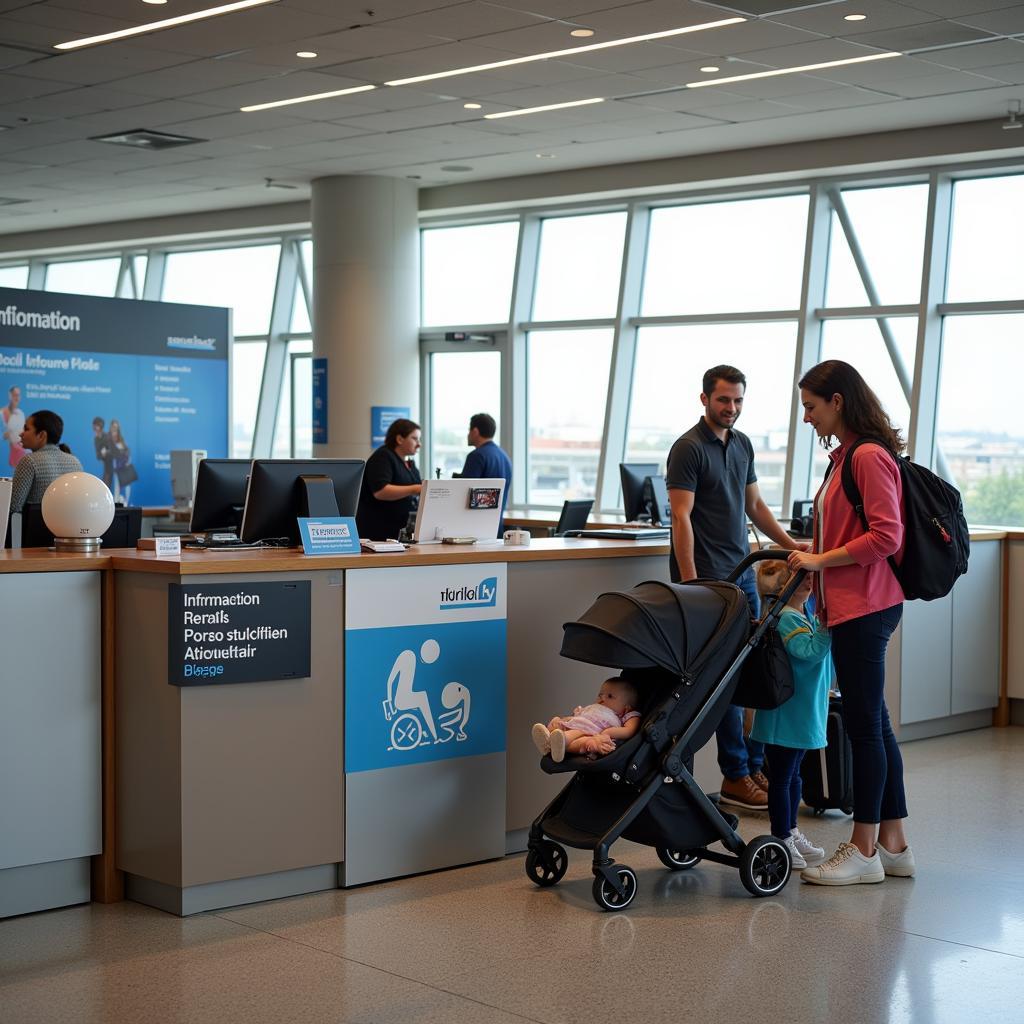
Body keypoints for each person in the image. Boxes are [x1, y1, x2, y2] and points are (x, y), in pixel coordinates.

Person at [787, 359, 914, 886]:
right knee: (875, 724)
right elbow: (848, 531)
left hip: (867, 606)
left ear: (837, 401)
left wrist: (820, 561)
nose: (807, 419)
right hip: (852, 604)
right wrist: (810, 552)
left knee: (864, 727)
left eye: (811, 408)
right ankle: (894, 843)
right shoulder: (843, 459)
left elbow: (888, 536)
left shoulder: (866, 456)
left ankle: (863, 849)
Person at [667, 364, 804, 811]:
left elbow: (756, 505)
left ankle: (755, 766)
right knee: (723, 678)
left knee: (754, 670)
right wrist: (689, 584)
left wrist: (788, 547)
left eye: (738, 400)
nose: (731, 408)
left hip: (744, 570)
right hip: (707, 579)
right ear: (704, 398)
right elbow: (680, 517)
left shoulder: (741, 444)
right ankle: (736, 775)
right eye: (724, 399)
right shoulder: (688, 448)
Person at [749, 558, 830, 870]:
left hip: (798, 712)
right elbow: (809, 652)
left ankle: (791, 831)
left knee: (793, 775)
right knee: (783, 778)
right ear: (784, 588)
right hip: (787, 716)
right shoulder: (787, 620)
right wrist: (827, 625)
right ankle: (781, 835)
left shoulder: (798, 614)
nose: (810, 582)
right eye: (803, 578)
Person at [531, 676, 642, 763]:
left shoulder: (626, 715)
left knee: (582, 741)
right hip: (575, 725)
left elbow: (629, 731)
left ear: (626, 708)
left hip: (592, 734)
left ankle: (554, 743)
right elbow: (578, 718)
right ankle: (551, 742)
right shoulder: (593, 708)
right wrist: (564, 720)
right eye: (600, 695)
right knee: (557, 722)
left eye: (609, 696)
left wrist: (607, 732)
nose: (602, 698)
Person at [356, 418, 423, 541]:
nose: (419, 444)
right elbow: (381, 491)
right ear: (399, 439)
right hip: (378, 532)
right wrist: (415, 489)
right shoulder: (383, 457)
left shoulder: (409, 462)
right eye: (414, 438)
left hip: (399, 530)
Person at [10, 410, 83, 513]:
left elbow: (13, 507)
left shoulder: (29, 461)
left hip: (34, 528)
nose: (21, 433)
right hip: (67, 529)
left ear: (42, 435)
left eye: (26, 429)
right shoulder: (75, 462)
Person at [457, 413, 512, 536]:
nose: (468, 435)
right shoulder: (504, 456)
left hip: (475, 529)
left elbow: (463, 492)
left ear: (475, 431)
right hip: (496, 527)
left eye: (469, 430)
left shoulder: (476, 456)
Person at [109, 418, 135, 504]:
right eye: (113, 427)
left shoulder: (122, 440)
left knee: (127, 484)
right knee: (116, 485)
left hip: (124, 466)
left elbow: (127, 451)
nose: (115, 430)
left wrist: (127, 461)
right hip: (116, 466)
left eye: (116, 428)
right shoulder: (109, 440)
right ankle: (116, 502)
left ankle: (126, 502)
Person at [2, 385, 26, 468]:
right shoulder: (2, 413)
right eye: (15, 395)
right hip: (7, 453)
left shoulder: (20, 413)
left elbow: (22, 432)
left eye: (18, 395)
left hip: (19, 452)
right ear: (10, 396)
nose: (17, 398)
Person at [92, 416, 113, 487]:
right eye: (94, 425)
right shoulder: (96, 439)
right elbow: (98, 456)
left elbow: (112, 450)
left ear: (101, 426)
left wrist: (106, 451)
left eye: (97, 425)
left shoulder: (107, 436)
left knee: (108, 483)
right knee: (105, 483)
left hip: (112, 465)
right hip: (106, 465)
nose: (95, 427)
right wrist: (102, 454)